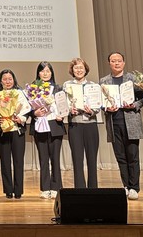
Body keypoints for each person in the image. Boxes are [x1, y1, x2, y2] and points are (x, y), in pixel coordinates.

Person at [99, 51, 143, 201]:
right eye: (113, 61)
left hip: (131, 121)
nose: (116, 63)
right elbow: (101, 102)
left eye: (119, 60)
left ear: (123, 63)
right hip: (114, 122)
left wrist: (135, 105)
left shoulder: (132, 78)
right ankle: (126, 185)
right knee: (120, 157)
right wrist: (106, 107)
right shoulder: (104, 81)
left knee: (133, 156)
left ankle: (134, 187)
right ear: (109, 63)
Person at [30, 61, 66, 200]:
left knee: (55, 158)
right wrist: (34, 113)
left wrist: (62, 115)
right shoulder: (33, 88)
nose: (45, 73)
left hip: (55, 125)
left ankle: (56, 187)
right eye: (42, 71)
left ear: (51, 73)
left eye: (48, 71)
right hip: (40, 125)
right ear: (38, 73)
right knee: (43, 158)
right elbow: (28, 108)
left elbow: (63, 106)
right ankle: (45, 188)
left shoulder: (58, 88)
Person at [63, 57, 100, 188]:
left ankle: (93, 189)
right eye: (76, 68)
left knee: (92, 159)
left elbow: (98, 105)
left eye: (81, 68)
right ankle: (79, 189)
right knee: (77, 159)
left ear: (86, 70)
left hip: (91, 124)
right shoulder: (67, 85)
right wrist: (69, 110)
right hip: (75, 125)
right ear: (72, 70)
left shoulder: (93, 86)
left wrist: (92, 111)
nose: (79, 70)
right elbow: (63, 104)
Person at [0, 68, 28, 199]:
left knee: (18, 161)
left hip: (17, 130)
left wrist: (21, 118)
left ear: (14, 80)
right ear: (0, 81)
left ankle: (18, 190)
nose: (7, 81)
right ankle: (8, 190)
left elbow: (27, 110)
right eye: (5, 79)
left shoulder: (20, 93)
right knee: (5, 161)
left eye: (10, 79)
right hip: (3, 131)